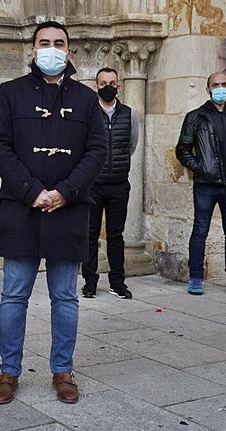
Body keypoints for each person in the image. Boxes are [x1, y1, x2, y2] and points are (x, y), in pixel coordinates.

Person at [0, 20, 107, 405]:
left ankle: (62, 370)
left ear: (69, 51)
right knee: (14, 294)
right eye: (44, 42)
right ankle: (9, 371)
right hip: (22, 207)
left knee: (65, 296)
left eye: (59, 43)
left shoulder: (87, 100)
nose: (51, 49)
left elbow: (97, 152)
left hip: (68, 209)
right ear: (32, 49)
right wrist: (33, 191)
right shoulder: (10, 94)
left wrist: (65, 192)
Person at [174, 72, 226, 296]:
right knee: (200, 231)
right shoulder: (195, 117)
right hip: (206, 186)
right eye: (215, 85)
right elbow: (183, 149)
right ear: (208, 89)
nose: (220, 88)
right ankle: (196, 277)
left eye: (224, 84)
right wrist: (200, 168)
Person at [81, 67, 139, 299]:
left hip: (118, 185)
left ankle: (117, 282)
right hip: (92, 185)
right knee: (90, 235)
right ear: (96, 86)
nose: (108, 87)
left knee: (116, 235)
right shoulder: (88, 113)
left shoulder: (130, 114)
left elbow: (131, 145)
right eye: (103, 83)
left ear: (119, 86)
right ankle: (90, 282)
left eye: (112, 83)